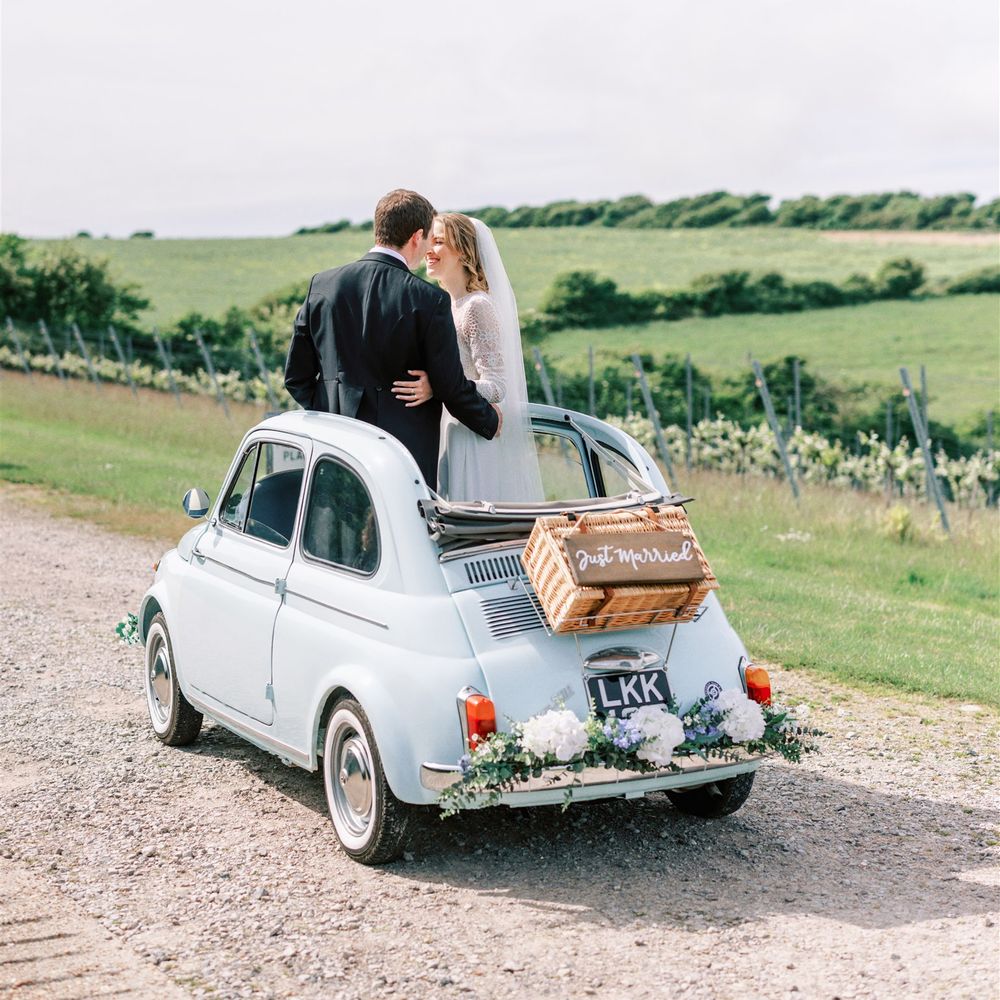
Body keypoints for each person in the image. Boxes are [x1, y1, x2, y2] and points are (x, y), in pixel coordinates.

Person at [283, 189, 500, 490]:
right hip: (403, 460)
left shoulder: (322, 286)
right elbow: (449, 385)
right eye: (429, 239)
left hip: (332, 452)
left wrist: (330, 408)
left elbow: (296, 378)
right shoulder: (429, 300)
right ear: (417, 236)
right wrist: (488, 420)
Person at [391, 214, 543, 503]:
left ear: (462, 250)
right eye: (429, 241)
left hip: (471, 437)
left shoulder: (477, 306)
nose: (428, 250)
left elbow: (496, 386)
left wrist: (438, 387)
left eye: (439, 242)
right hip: (446, 429)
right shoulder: (445, 305)